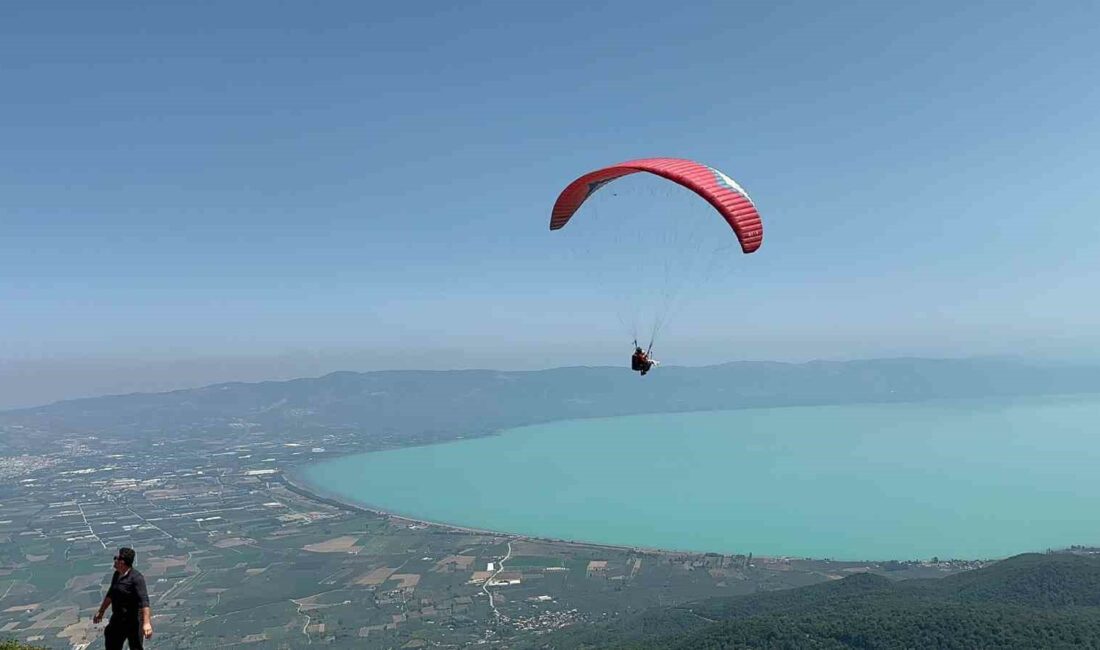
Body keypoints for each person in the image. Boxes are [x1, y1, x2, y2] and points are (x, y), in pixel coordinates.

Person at [93, 547, 152, 649]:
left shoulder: (136, 578)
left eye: (117, 558)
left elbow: (144, 601)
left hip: (134, 621)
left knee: (136, 646)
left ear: (122, 562)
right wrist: (101, 611)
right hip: (118, 618)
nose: (114, 560)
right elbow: (111, 593)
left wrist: (146, 623)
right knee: (111, 641)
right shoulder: (117, 575)